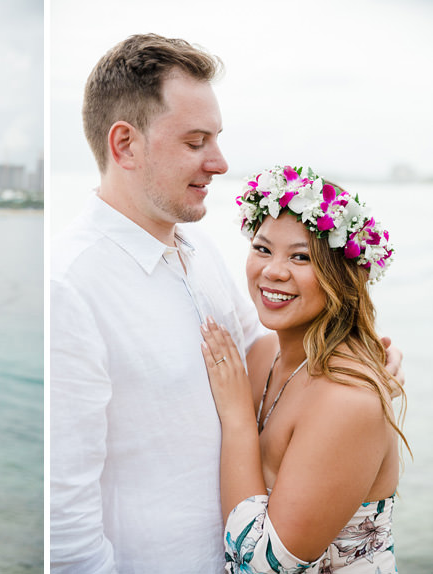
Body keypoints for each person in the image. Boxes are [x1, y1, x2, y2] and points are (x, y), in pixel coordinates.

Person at [49, 34, 263, 573]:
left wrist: (350, 361)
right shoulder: (70, 289)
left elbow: (259, 353)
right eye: (195, 142)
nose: (219, 162)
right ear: (125, 145)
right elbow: (64, 521)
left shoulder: (202, 247)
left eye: (215, 139)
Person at [201, 165, 404, 572]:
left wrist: (238, 415)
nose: (273, 271)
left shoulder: (348, 400)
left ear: (341, 275)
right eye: (262, 249)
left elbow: (260, 566)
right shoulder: (259, 355)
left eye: (300, 257)